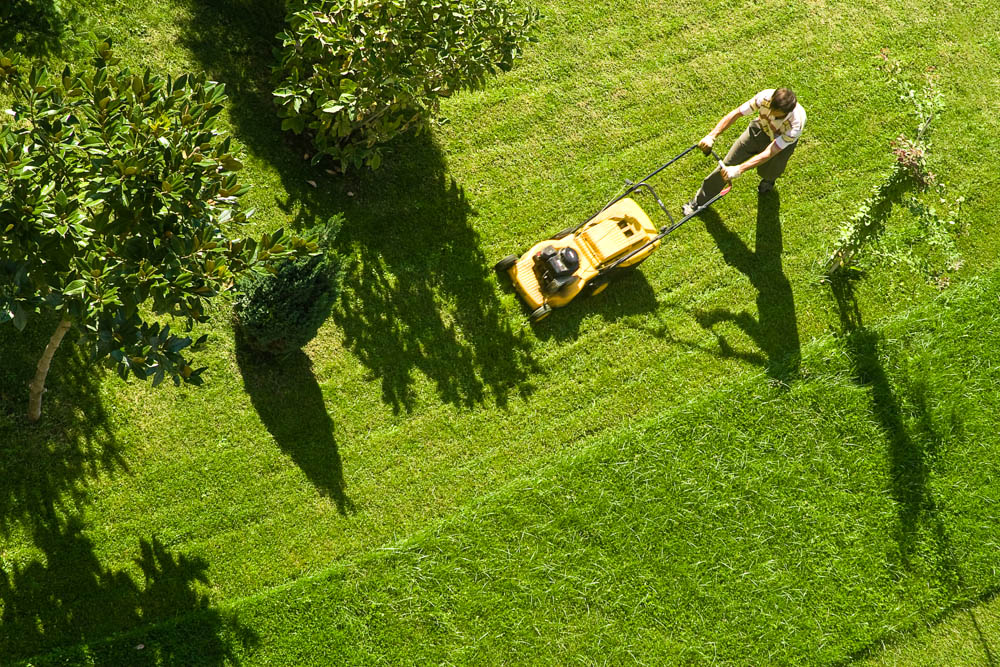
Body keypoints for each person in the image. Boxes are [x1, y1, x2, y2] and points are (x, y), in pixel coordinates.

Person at [683, 87, 806, 216]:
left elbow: (771, 151)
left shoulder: (796, 125)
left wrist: (739, 169)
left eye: (775, 113)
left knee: (769, 171)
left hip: (779, 143)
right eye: (770, 108)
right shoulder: (765, 97)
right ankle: (699, 201)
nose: (770, 114)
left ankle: (769, 180)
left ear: (787, 112)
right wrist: (712, 136)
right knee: (726, 165)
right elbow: (737, 113)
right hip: (759, 130)